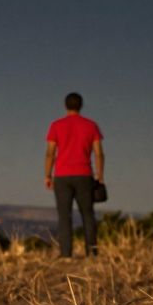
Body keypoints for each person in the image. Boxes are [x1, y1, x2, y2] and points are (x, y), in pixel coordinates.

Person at [45, 92, 105, 258]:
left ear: (65, 106)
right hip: (84, 175)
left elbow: (50, 153)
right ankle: (92, 252)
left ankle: (65, 254)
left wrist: (47, 175)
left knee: (64, 216)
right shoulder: (91, 126)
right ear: (81, 105)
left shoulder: (56, 126)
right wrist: (100, 176)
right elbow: (99, 153)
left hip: (62, 176)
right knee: (88, 214)